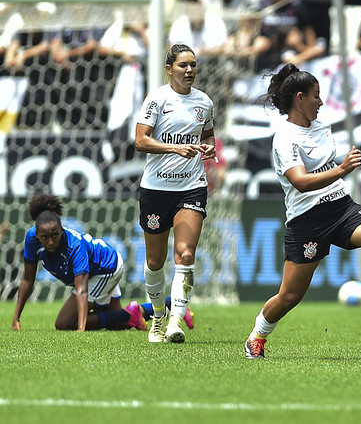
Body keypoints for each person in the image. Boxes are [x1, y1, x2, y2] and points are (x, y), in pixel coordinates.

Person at [244, 63, 361, 359]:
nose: (321, 102)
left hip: (341, 207)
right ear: (300, 98)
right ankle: (257, 335)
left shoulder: (320, 127)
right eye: (317, 96)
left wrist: (342, 163)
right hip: (307, 220)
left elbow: (327, 170)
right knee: (290, 296)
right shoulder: (284, 138)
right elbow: (301, 182)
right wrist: (343, 168)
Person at [12, 194, 194, 332]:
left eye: (55, 235)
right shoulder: (31, 240)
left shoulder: (74, 245)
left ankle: (137, 311)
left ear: (62, 230)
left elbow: (81, 289)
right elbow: (28, 280)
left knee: (64, 323)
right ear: (37, 235)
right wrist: (16, 318)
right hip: (95, 271)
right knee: (117, 324)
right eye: (45, 237)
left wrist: (81, 327)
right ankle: (172, 303)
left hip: (106, 269)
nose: (50, 241)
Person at [134, 43, 216, 344]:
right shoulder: (157, 98)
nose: (190, 70)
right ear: (170, 69)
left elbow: (208, 136)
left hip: (191, 186)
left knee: (185, 253)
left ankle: (176, 321)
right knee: (155, 261)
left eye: (193, 64)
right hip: (156, 189)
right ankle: (157, 316)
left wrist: (207, 147)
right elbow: (140, 140)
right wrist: (173, 147)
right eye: (183, 65)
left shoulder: (204, 103)